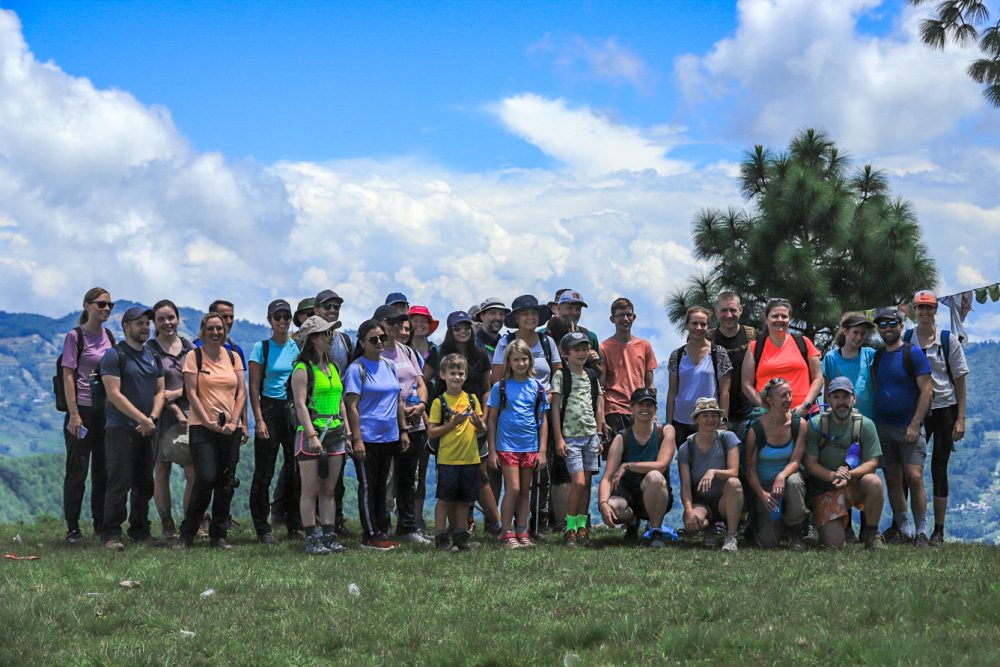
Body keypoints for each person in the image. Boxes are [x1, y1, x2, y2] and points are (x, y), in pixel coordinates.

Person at [490, 295, 562, 536]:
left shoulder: (547, 342)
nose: (530, 317)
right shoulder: (506, 342)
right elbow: (497, 377)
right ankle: (505, 529)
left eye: (534, 313)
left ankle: (532, 526)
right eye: (524, 314)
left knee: (536, 478)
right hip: (512, 418)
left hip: (541, 411)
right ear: (517, 319)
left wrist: (551, 395)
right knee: (513, 486)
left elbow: (558, 375)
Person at [176, 312, 246, 549]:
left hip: (229, 427)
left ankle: (219, 535)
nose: (216, 333)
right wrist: (207, 422)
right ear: (203, 332)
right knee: (205, 478)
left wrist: (235, 420)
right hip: (202, 428)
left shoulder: (233, 356)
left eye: (220, 329)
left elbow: (241, 393)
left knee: (226, 482)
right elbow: (191, 393)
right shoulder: (193, 357)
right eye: (211, 329)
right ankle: (187, 532)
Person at [99, 306, 165, 550]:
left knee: (145, 483)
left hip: (148, 429)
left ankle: (140, 530)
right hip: (120, 428)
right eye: (139, 323)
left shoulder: (153, 356)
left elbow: (160, 391)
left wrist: (153, 419)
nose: (145, 327)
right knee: (119, 481)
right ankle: (111, 534)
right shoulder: (115, 356)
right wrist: (142, 419)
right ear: (126, 327)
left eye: (147, 323)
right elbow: (113, 394)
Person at [906, 290, 970, 545]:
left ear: (935, 311)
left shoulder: (947, 340)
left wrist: (961, 418)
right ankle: (910, 528)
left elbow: (960, 380)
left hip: (945, 407)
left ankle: (938, 530)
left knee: (939, 467)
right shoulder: (907, 338)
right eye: (920, 308)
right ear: (913, 310)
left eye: (928, 308)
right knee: (911, 469)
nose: (924, 312)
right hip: (915, 409)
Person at [344, 319, 410, 550]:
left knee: (382, 487)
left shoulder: (389, 365)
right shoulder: (356, 369)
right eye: (373, 339)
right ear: (362, 342)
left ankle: (380, 531)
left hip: (389, 437)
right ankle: (371, 534)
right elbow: (351, 406)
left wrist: (403, 430)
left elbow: (398, 402)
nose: (380, 343)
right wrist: (356, 439)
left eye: (382, 338)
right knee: (368, 487)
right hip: (367, 438)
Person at [434, 311, 501, 537]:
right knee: (451, 479)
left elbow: (487, 387)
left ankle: (495, 525)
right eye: (457, 328)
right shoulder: (441, 354)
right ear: (450, 331)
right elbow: (427, 382)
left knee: (480, 474)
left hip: (475, 417)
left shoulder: (479, 355)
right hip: (448, 420)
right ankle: (455, 528)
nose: (463, 331)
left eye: (466, 327)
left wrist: (483, 414)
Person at [872, 306, 933, 546]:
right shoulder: (877, 356)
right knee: (892, 478)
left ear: (901, 325)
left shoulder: (913, 353)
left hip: (910, 427)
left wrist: (915, 424)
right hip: (883, 427)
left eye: (891, 324)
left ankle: (922, 531)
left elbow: (927, 390)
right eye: (882, 325)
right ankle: (904, 530)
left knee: (915, 477)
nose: (886, 328)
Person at [60, 287, 116, 544]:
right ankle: (73, 528)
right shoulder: (75, 337)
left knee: (103, 470)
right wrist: (73, 414)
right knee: (77, 470)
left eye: (109, 305)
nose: (106, 308)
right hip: (81, 411)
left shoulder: (110, 337)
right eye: (101, 304)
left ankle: (100, 524)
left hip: (104, 411)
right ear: (87, 306)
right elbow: (68, 375)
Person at [803, 377, 886, 550]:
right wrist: (832, 475)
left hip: (853, 487)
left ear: (853, 399)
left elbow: (872, 462)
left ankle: (872, 533)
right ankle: (819, 524)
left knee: (875, 482)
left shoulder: (866, 425)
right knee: (834, 545)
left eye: (846, 397)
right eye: (836, 397)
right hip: (825, 490)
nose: (841, 402)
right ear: (829, 399)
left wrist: (849, 474)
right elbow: (810, 463)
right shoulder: (817, 425)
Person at [290, 316, 350, 555]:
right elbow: (300, 404)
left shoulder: (334, 367)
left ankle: (329, 535)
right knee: (310, 489)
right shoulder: (302, 369)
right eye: (326, 333)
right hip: (311, 432)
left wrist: (347, 428)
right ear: (314, 338)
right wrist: (312, 436)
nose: (330, 336)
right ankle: (311, 538)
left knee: (329, 488)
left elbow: (340, 401)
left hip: (335, 432)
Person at [373, 305, 431, 543]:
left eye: (400, 323)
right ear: (380, 324)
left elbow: (420, 382)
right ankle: (381, 525)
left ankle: (407, 526)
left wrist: (422, 404)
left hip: (414, 422)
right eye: (393, 323)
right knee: (385, 478)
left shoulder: (407, 352)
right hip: (386, 425)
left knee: (408, 477)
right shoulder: (374, 353)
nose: (398, 327)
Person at [248, 299, 301, 544]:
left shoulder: (296, 348)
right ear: (270, 320)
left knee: (294, 468)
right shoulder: (261, 348)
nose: (282, 321)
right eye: (277, 316)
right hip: (268, 409)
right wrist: (258, 420)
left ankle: (294, 524)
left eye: (286, 316)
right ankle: (262, 527)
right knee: (264, 471)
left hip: (290, 411)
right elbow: (253, 388)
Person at [487, 339, 549, 549]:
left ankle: (522, 530)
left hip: (529, 446)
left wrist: (542, 451)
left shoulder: (537, 388)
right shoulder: (500, 387)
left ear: (530, 361)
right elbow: (492, 419)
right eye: (516, 360)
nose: (521, 363)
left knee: (525, 491)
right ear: (509, 362)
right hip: (507, 446)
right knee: (512, 489)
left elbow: (542, 421)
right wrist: (493, 450)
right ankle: (506, 532)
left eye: (524, 359)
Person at [598, 388, 675, 548]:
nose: (645, 409)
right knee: (613, 506)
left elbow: (661, 465)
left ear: (655, 409)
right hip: (626, 494)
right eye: (641, 405)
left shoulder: (665, 431)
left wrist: (627, 465)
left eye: (649, 405)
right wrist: (603, 503)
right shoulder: (622, 438)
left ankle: (656, 530)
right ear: (631, 408)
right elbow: (607, 477)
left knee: (654, 477)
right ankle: (632, 522)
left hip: (655, 493)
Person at [427, 353, 487, 552]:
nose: (457, 377)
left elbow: (481, 428)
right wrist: (453, 424)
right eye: (452, 373)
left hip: (470, 457)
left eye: (460, 373)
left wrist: (478, 423)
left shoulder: (472, 399)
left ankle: (461, 537)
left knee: (464, 499)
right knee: (444, 499)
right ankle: (441, 536)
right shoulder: (439, 402)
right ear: (443, 375)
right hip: (448, 459)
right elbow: (432, 431)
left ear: (466, 376)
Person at [146, 299, 195, 540]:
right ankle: (166, 522)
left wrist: (178, 394)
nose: (167, 323)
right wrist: (174, 407)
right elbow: (154, 389)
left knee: (192, 469)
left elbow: (197, 383)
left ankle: (192, 520)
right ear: (154, 323)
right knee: (161, 469)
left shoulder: (189, 348)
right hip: (160, 415)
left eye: (170, 317)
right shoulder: (150, 350)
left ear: (178, 318)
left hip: (190, 414)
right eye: (161, 319)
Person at [551, 332, 605, 546]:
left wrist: (599, 434)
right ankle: (570, 529)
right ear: (566, 354)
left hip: (591, 436)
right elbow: (555, 407)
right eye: (577, 349)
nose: (582, 353)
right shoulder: (560, 376)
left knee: (587, 484)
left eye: (585, 348)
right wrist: (558, 439)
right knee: (578, 482)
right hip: (571, 438)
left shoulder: (591, 375)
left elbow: (599, 402)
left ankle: (583, 529)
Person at [744, 378, 808, 550]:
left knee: (794, 482)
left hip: (787, 481)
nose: (789, 399)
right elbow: (750, 470)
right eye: (783, 396)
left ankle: (795, 532)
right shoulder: (756, 429)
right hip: (765, 487)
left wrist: (781, 475)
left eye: (790, 394)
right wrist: (762, 494)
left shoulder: (799, 424)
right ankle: (769, 524)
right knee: (768, 542)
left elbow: (796, 461)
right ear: (770, 400)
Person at [677, 397, 744, 552]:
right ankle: (709, 528)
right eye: (705, 415)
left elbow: (734, 472)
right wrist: (688, 512)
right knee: (692, 526)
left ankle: (731, 536)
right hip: (701, 502)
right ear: (697, 419)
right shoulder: (686, 447)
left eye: (714, 415)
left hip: (724, 499)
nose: (710, 419)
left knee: (734, 483)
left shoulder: (727, 438)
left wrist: (713, 471)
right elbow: (685, 485)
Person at [313, 289, 354, 536]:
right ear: (317, 309)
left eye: (336, 307)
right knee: (310, 475)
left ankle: (334, 521)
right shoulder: (304, 339)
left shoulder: (345, 340)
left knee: (335, 476)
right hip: (312, 417)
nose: (332, 311)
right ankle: (307, 524)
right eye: (327, 307)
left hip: (338, 415)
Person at [742, 298, 822, 416]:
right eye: (775, 316)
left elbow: (818, 378)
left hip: (805, 414)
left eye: (784, 316)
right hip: (769, 417)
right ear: (766, 318)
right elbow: (746, 385)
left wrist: (806, 405)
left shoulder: (804, 343)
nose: (780, 320)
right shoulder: (755, 347)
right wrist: (765, 408)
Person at [667, 306, 733, 444]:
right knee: (684, 463)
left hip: (709, 421)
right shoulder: (676, 355)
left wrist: (723, 420)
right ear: (687, 326)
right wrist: (669, 424)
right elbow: (672, 392)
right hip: (681, 421)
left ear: (708, 327)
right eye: (694, 323)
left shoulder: (718, 353)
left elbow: (725, 391)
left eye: (703, 324)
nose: (698, 327)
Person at [600, 297, 657, 438]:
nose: (625, 319)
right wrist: (600, 416)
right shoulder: (604, 348)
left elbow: (650, 383)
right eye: (620, 315)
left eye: (628, 315)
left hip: (640, 408)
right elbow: (600, 386)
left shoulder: (644, 346)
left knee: (641, 457)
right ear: (612, 319)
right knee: (616, 457)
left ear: (634, 317)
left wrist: (653, 413)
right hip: (614, 409)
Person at [408, 304, 440, 528]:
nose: (419, 325)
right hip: (401, 412)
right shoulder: (400, 348)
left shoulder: (434, 351)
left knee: (421, 467)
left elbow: (423, 380)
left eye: (424, 321)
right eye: (415, 320)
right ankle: (405, 517)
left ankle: (417, 518)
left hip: (428, 413)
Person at [707, 292, 757, 434]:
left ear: (740, 310)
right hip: (715, 413)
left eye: (733, 310)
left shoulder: (752, 336)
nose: (729, 315)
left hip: (749, 411)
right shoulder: (708, 339)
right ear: (716, 312)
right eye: (724, 310)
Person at [822, 312, 877, 419]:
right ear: (845, 331)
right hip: (840, 418)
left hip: (868, 418)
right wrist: (828, 416)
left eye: (863, 333)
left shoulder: (869, 354)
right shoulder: (831, 357)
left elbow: (875, 386)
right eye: (855, 332)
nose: (859, 337)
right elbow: (827, 391)